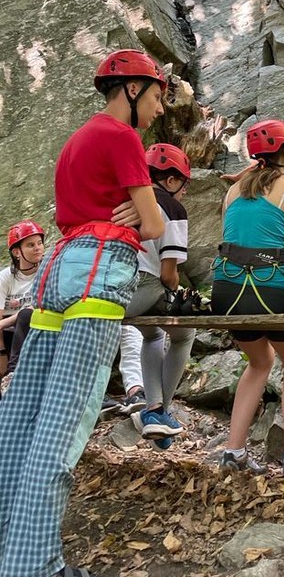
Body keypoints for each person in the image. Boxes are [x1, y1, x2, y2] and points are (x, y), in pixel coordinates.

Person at [0, 48, 167, 577]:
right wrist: (147, 212)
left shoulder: (76, 140)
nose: (161, 108)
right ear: (134, 90)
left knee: (22, 417)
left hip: (57, 269)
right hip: (100, 270)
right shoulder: (123, 138)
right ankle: (36, 567)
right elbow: (156, 227)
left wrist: (135, 210)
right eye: (159, 95)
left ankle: (10, 548)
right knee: (63, 426)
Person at [211, 119, 284, 476]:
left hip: (225, 291)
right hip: (269, 286)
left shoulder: (233, 190)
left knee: (259, 362)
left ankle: (233, 451)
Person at [126, 143, 195, 450]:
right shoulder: (172, 208)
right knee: (184, 334)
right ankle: (158, 411)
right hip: (145, 287)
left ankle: (154, 409)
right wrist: (178, 290)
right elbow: (167, 275)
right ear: (170, 180)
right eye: (183, 185)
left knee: (152, 334)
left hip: (115, 289)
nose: (183, 193)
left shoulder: (127, 198)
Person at [0, 221, 45, 382]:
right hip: (8, 336)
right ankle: (7, 378)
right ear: (17, 252)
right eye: (30, 245)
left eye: (40, 243)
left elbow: (40, 305)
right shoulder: (6, 277)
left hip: (37, 326)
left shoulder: (47, 270)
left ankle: (13, 373)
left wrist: (7, 322)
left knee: (26, 315)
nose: (38, 248)